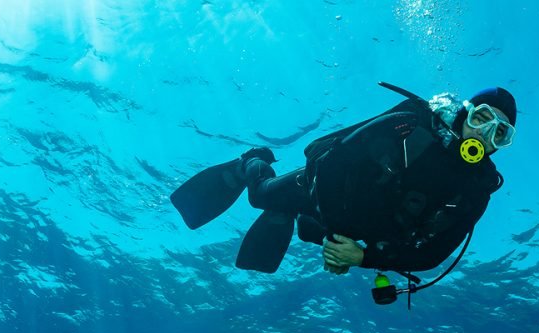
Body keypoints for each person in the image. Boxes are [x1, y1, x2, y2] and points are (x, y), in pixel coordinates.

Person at [170, 83, 515, 295]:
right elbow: (333, 161)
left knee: (307, 231)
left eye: (500, 133)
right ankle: (250, 161)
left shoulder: (476, 190)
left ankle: (299, 220)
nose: (485, 135)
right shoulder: (411, 123)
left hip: (357, 234)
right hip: (319, 189)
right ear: (465, 113)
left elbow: (433, 254)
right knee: (261, 196)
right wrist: (338, 242)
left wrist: (363, 257)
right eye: (482, 119)